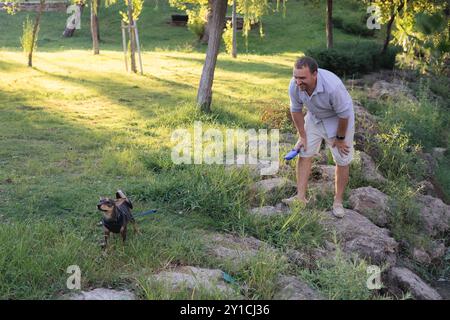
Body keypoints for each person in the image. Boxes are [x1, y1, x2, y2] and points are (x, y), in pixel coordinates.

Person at [288, 56, 355, 218]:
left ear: (315, 74)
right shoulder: (295, 85)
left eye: (302, 78)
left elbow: (344, 115)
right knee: (304, 152)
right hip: (315, 116)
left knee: (342, 158)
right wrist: (302, 136)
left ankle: (338, 202)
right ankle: (300, 198)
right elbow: (295, 111)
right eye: (296, 77)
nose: (298, 82)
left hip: (338, 118)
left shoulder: (333, 87)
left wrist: (339, 139)